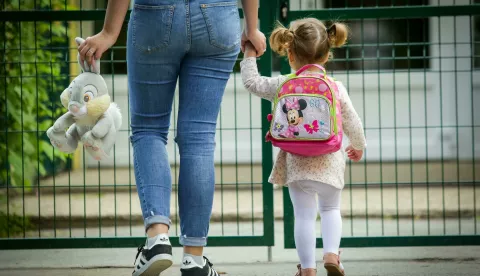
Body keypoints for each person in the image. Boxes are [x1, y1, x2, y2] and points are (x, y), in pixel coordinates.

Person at [77, 0, 266, 275]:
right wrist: (252, 27)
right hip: (217, 16)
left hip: (156, 15)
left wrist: (109, 32)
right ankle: (195, 260)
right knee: (199, 138)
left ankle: (157, 239)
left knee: (149, 130)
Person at [241, 18, 367, 276]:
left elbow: (251, 82)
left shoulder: (283, 84)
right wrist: (359, 145)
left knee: (304, 216)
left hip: (296, 165)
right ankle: (332, 254)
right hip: (330, 162)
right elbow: (353, 121)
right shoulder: (335, 87)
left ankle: (307, 269)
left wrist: (249, 51)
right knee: (331, 209)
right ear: (327, 54)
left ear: (289, 53)